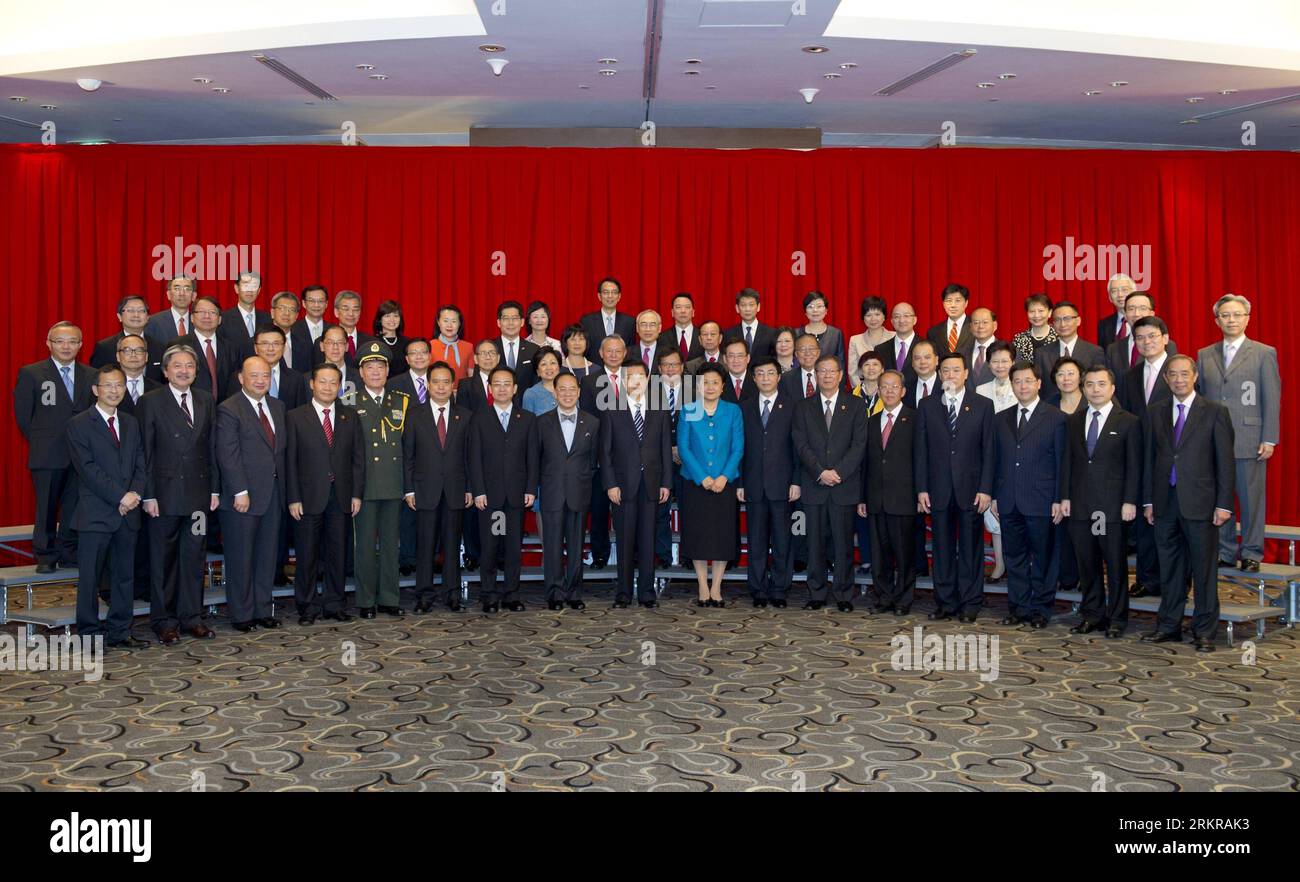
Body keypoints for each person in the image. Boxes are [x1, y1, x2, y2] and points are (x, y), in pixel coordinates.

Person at [1141, 355, 1235, 653]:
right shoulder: (1155, 412)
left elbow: (1225, 463)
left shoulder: (1215, 412)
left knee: (1203, 570)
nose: (1179, 379)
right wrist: (1148, 501)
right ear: (1166, 379)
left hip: (1201, 504)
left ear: (1195, 376)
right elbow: (1150, 461)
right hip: (1164, 503)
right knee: (1169, 568)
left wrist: (1223, 504)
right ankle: (1169, 625)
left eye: (1184, 374)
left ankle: (1205, 631)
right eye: (1173, 375)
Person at [140, 344, 219, 644]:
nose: (184, 370)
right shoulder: (151, 402)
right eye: (178, 366)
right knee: (163, 560)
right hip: (164, 496)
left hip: (199, 498)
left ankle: (191, 617)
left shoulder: (205, 399)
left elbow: (212, 447)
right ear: (165, 371)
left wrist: (215, 489)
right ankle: (164, 620)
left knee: (193, 557)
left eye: (190, 366)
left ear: (197, 371)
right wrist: (148, 495)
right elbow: (144, 452)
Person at [1196, 294, 1280, 574]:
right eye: (1225, 316)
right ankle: (1226, 550)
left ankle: (1253, 551)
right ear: (1216, 320)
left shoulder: (1263, 352)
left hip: (1249, 437)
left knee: (1251, 498)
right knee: (1220, 497)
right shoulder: (1204, 354)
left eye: (1236, 315)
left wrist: (1269, 437)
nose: (1231, 320)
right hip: (1213, 439)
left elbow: (1272, 397)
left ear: (1247, 318)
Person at [67, 364, 148, 649]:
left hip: (129, 513)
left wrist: (135, 493)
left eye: (119, 385)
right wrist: (120, 497)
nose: (115, 391)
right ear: (95, 390)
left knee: (124, 576)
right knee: (90, 578)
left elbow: (141, 461)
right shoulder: (79, 424)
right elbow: (87, 470)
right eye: (108, 385)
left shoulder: (130, 422)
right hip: (96, 513)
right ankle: (88, 633)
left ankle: (120, 631)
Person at [1062, 365, 1142, 638]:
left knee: (1115, 565)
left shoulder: (1128, 421)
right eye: (1090, 385)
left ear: (1112, 388)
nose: (1095, 389)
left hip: (1111, 508)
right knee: (1088, 564)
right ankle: (1092, 615)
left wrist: (1130, 501)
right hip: (1082, 506)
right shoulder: (1074, 420)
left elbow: (1134, 466)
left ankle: (1117, 618)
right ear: (1083, 389)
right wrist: (1065, 497)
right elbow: (1067, 464)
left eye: (1101, 384)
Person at [916, 352, 995, 623]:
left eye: (956, 370)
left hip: (971, 490)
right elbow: (921, 451)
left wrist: (986, 488)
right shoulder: (927, 405)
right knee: (942, 549)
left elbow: (989, 451)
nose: (950, 375)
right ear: (940, 374)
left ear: (965, 374)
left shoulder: (983, 405)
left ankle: (970, 602)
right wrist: (922, 488)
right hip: (937, 490)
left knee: (971, 549)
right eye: (946, 370)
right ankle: (946, 602)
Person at [14, 321, 96, 573]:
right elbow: (23, 416)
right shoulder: (32, 373)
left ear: (80, 345)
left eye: (72, 341)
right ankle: (46, 554)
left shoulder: (91, 374)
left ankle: (68, 551)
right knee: (47, 506)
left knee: (74, 506)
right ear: (48, 343)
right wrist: (43, 441)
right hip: (48, 453)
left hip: (82, 454)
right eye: (60, 341)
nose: (66, 346)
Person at [285, 363, 363, 626]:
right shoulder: (295, 416)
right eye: (323, 382)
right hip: (307, 498)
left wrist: (356, 494)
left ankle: (334, 604)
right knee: (307, 555)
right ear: (312, 384)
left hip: (340, 496)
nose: (328, 387)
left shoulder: (349, 416)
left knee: (337, 554)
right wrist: (293, 497)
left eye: (333, 383)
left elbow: (357, 459)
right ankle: (306, 606)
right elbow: (290, 462)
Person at [991, 362, 1067, 628]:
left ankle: (1040, 610)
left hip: (1042, 501)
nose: (1022, 386)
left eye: (1027, 381)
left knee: (1044, 558)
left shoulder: (1056, 418)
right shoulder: (1001, 419)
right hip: (1009, 499)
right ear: (1011, 385)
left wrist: (1059, 498)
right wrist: (994, 495)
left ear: (1038, 384)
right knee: (1014, 558)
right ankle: (1019, 608)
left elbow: (1062, 463)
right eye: (1017, 381)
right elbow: (995, 460)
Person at [215, 356, 287, 633]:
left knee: (267, 556)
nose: (260, 380)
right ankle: (242, 614)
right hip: (242, 497)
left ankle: (262, 608)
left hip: (273, 494)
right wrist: (239, 491)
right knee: (241, 557)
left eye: (265, 375)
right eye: (254, 375)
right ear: (241, 378)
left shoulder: (278, 407)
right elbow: (227, 455)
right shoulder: (229, 409)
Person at [793, 355, 867, 612]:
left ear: (840, 374)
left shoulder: (856, 405)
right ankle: (817, 592)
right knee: (814, 543)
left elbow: (859, 445)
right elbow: (800, 443)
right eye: (821, 371)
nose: (826, 375)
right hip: (814, 486)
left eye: (831, 371)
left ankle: (844, 593)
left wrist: (838, 472)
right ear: (815, 374)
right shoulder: (803, 406)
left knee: (844, 544)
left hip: (844, 486)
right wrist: (820, 472)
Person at [601, 360, 672, 608]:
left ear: (648, 379)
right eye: (630, 376)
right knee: (624, 540)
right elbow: (605, 452)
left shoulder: (659, 410)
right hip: (623, 486)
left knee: (647, 539)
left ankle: (647, 593)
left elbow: (665, 450)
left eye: (640, 376)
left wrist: (666, 483)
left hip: (652, 484)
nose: (636, 380)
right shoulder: (612, 410)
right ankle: (623, 593)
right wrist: (610, 484)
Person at [403, 361, 473, 613]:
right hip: (424, 491)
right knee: (425, 547)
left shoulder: (464, 415)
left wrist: (470, 488)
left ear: (452, 385)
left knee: (452, 546)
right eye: (436, 382)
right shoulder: (414, 414)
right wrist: (409, 489)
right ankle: (424, 595)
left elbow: (470, 457)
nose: (441, 386)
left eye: (446, 382)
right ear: (428, 385)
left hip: (456, 490)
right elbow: (407, 455)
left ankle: (452, 594)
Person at [469, 366, 539, 612]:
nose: (501, 388)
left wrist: (531, 488)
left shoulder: (527, 419)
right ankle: (488, 594)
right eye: (496, 384)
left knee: (512, 547)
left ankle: (511, 594)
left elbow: (533, 458)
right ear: (490, 388)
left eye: (506, 384)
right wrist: (478, 491)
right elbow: (474, 458)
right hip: (490, 497)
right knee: (489, 546)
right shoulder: (478, 418)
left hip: (516, 496)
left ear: (515, 388)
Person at [678, 362, 744, 606]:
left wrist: (724, 476)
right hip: (695, 483)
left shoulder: (733, 411)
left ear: (723, 385)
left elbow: (738, 447)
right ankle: (702, 586)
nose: (710, 386)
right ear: (697, 385)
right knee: (698, 535)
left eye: (715, 382)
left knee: (721, 536)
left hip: (724, 483)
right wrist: (702, 477)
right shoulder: (688, 410)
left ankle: (716, 586)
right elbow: (683, 447)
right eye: (705, 382)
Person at [352, 341, 409, 619]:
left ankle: (389, 597)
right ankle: (365, 600)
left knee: (390, 545)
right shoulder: (349, 402)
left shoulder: (402, 400)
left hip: (393, 484)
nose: (375, 372)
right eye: (369, 367)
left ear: (388, 371)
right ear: (361, 373)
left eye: (380, 366)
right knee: (363, 545)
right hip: (364, 487)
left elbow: (409, 448)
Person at [738, 358, 798, 608]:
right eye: (760, 374)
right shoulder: (745, 407)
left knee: (783, 540)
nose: (765, 378)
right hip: (752, 483)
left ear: (778, 377)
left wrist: (796, 481)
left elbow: (797, 448)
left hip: (783, 485)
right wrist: (740, 482)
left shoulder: (793, 406)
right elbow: (739, 447)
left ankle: (780, 588)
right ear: (753, 378)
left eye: (770, 373)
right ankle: (758, 588)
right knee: (757, 540)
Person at [1119, 315, 1172, 599]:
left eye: (1152, 336)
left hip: (1170, 456)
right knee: (1143, 521)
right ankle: (1146, 578)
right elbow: (1127, 418)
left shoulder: (1178, 370)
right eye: (1140, 338)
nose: (1146, 342)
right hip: (1140, 456)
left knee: (1169, 520)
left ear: (1165, 338)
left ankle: (1172, 580)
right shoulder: (1130, 376)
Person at [537, 373, 600, 610]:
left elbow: (593, 461)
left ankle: (574, 592)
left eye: (571, 389)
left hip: (579, 491)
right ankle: (554, 592)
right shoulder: (541, 422)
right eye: (561, 389)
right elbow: (536, 459)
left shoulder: (592, 422)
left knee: (576, 546)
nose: (567, 393)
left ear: (579, 392)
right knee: (552, 546)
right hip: (552, 492)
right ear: (554, 392)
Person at [859, 369, 917, 615]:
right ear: (879, 391)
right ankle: (884, 597)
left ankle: (903, 599)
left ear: (903, 391)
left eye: (894, 386)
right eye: (885, 387)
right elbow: (865, 463)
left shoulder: (915, 419)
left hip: (904, 498)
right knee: (879, 553)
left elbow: (921, 459)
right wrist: (862, 497)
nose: (890, 391)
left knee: (904, 553)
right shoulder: (871, 421)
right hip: (875, 498)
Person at [578, 335, 628, 570]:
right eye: (609, 350)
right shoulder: (589, 382)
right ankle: (600, 553)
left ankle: (632, 553)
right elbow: (588, 419)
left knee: (627, 508)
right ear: (600, 352)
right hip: (600, 455)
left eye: (618, 351)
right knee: (598, 508)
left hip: (629, 456)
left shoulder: (635, 379)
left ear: (625, 353)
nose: (614, 354)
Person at [975, 341, 1017, 583]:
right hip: (991, 459)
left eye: (1005, 360)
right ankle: (1000, 562)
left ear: (1012, 362)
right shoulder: (981, 391)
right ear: (988, 365)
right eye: (995, 361)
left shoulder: (1023, 386)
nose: (1000, 365)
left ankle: (1018, 564)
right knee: (993, 515)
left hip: (1017, 458)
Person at [1035, 301, 1105, 401]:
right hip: (1051, 410)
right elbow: (1040, 388)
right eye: (1057, 320)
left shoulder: (1094, 352)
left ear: (1078, 321)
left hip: (1084, 410)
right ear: (1053, 324)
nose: (1062, 324)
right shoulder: (1041, 353)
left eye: (1067, 319)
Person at [175, 295, 238, 402]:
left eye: (212, 312)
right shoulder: (178, 345)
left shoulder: (231, 347)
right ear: (192, 318)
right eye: (202, 312)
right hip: (189, 407)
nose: (207, 316)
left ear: (219, 319)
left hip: (224, 409)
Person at [1106, 292, 1178, 379]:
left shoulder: (1166, 345)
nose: (1136, 314)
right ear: (1125, 315)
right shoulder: (1113, 349)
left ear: (1152, 314)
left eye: (1142, 308)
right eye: (1131, 309)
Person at [91, 295, 165, 376]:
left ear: (148, 317)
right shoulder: (104, 348)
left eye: (141, 310)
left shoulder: (159, 347)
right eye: (130, 310)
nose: (136, 315)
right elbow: (97, 379)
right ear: (119, 316)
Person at [490, 300, 540, 390]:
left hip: (525, 402)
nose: (510, 323)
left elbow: (537, 381)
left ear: (522, 322)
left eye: (515, 318)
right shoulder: (489, 348)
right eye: (506, 318)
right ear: (498, 322)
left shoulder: (534, 349)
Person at [847, 296, 894, 387]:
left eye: (877, 314)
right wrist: (863, 393)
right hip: (864, 393)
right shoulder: (855, 340)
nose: (873, 319)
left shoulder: (894, 337)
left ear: (884, 316)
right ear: (863, 318)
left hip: (890, 391)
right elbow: (853, 373)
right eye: (868, 315)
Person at [580, 276, 636, 349]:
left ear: (619, 296)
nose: (610, 296)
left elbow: (630, 350)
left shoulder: (629, 322)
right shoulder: (587, 321)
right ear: (599, 296)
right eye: (606, 292)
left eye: (614, 292)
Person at [221, 270, 269, 349]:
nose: (249, 290)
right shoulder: (223, 319)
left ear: (259, 290)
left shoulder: (268, 319)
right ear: (236, 288)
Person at [875, 302, 919, 388]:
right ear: (892, 321)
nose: (901, 320)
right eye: (897, 316)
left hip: (918, 399)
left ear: (915, 320)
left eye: (906, 316)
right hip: (888, 399)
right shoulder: (880, 349)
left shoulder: (927, 346)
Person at [723, 288, 776, 359]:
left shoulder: (771, 333)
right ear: (737, 308)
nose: (747, 309)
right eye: (743, 305)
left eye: (751, 305)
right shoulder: (728, 334)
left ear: (758, 307)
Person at [290, 284, 333, 370]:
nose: (316, 305)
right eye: (311, 301)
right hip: (300, 380)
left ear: (326, 304)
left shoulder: (333, 330)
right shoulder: (292, 329)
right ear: (304, 303)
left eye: (321, 301)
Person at [926, 283, 974, 358]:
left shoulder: (975, 327)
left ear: (966, 303)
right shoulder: (933, 332)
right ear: (943, 304)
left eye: (958, 301)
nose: (953, 305)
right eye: (949, 300)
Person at [144, 275, 195, 343]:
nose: (182, 293)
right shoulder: (152, 322)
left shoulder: (201, 321)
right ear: (168, 295)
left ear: (194, 296)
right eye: (177, 289)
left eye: (187, 289)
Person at [801, 290, 846, 369]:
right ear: (805, 312)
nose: (815, 310)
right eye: (810, 306)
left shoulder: (836, 334)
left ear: (826, 310)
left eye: (819, 306)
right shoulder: (797, 333)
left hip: (829, 379)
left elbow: (841, 364)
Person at [457, 338, 501, 415]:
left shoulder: (508, 383)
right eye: (483, 353)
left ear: (498, 358)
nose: (488, 357)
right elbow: (462, 416)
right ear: (475, 359)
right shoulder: (465, 385)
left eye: (492, 353)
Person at [431, 304, 474, 381]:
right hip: (437, 391)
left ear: (460, 323)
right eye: (445, 321)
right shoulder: (430, 346)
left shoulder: (469, 347)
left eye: (454, 321)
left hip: (461, 392)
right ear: (438, 322)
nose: (449, 325)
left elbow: (471, 376)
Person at [333, 290, 375, 366]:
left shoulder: (371, 342)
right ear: (336, 312)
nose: (351, 314)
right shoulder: (325, 341)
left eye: (355, 309)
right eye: (346, 309)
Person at [659, 292, 705, 362]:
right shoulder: (662, 337)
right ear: (672, 312)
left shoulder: (703, 335)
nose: (683, 311)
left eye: (687, 307)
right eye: (678, 307)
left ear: (693, 312)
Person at [1012, 293, 1056, 363]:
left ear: (1050, 312)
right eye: (1032, 311)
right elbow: (1016, 365)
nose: (1036, 315)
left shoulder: (1058, 337)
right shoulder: (1019, 339)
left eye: (1041, 311)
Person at [372, 300, 410, 378]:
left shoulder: (407, 342)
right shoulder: (372, 343)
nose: (392, 320)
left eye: (396, 316)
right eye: (387, 316)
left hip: (403, 386)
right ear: (380, 319)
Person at [1097, 273, 1136, 348]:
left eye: (1124, 290)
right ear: (1110, 297)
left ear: (1134, 292)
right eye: (1114, 291)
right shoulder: (1104, 325)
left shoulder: (1144, 319)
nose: (1120, 295)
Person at [778, 333, 821, 400]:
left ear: (818, 352)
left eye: (811, 348)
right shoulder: (785, 379)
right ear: (796, 354)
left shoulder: (829, 376)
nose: (807, 353)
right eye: (802, 349)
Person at [966, 307, 1001, 389]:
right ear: (970, 327)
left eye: (985, 322)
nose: (980, 326)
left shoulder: (1008, 352)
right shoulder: (961, 352)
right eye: (976, 323)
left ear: (995, 325)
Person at [522, 347, 562, 415]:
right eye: (543, 364)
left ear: (559, 367)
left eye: (553, 363)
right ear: (538, 372)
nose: (549, 367)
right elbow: (527, 422)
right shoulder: (531, 394)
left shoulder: (569, 389)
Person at [904, 339, 939, 410]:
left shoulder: (947, 387)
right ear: (912, 363)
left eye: (927, 357)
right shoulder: (905, 388)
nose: (922, 362)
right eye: (917, 358)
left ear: (936, 360)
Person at [720, 338, 755, 404]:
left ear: (748, 358)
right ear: (724, 359)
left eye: (740, 356)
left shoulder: (758, 381)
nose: (736, 360)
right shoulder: (719, 382)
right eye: (731, 356)